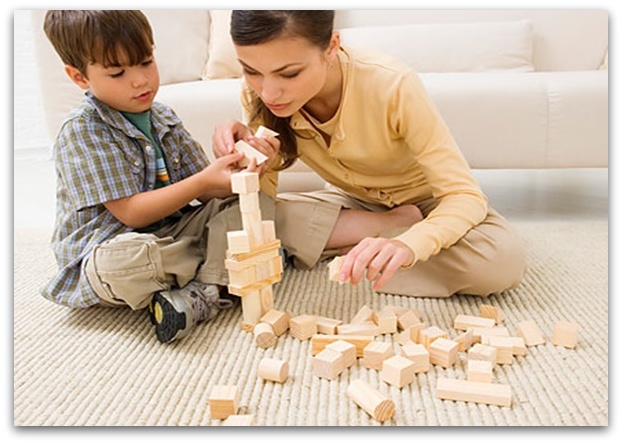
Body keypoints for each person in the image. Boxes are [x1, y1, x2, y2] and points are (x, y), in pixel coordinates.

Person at [212, 10, 526, 298]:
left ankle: (360, 246)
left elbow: (464, 196)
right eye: (251, 71)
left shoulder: (392, 84)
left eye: (290, 74)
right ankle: (376, 234)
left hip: (428, 203)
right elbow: (262, 206)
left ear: (331, 47)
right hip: (353, 203)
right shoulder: (257, 94)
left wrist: (409, 244)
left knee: (498, 263)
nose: (268, 92)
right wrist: (251, 162)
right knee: (229, 223)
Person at [40, 10, 263, 344]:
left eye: (146, 62)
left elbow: (208, 195)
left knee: (253, 208)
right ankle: (220, 272)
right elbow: (132, 213)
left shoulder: (164, 117)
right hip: (112, 247)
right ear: (79, 77)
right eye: (117, 73)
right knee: (124, 262)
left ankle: (202, 288)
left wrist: (239, 167)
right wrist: (205, 181)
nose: (140, 80)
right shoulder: (81, 130)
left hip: (171, 233)